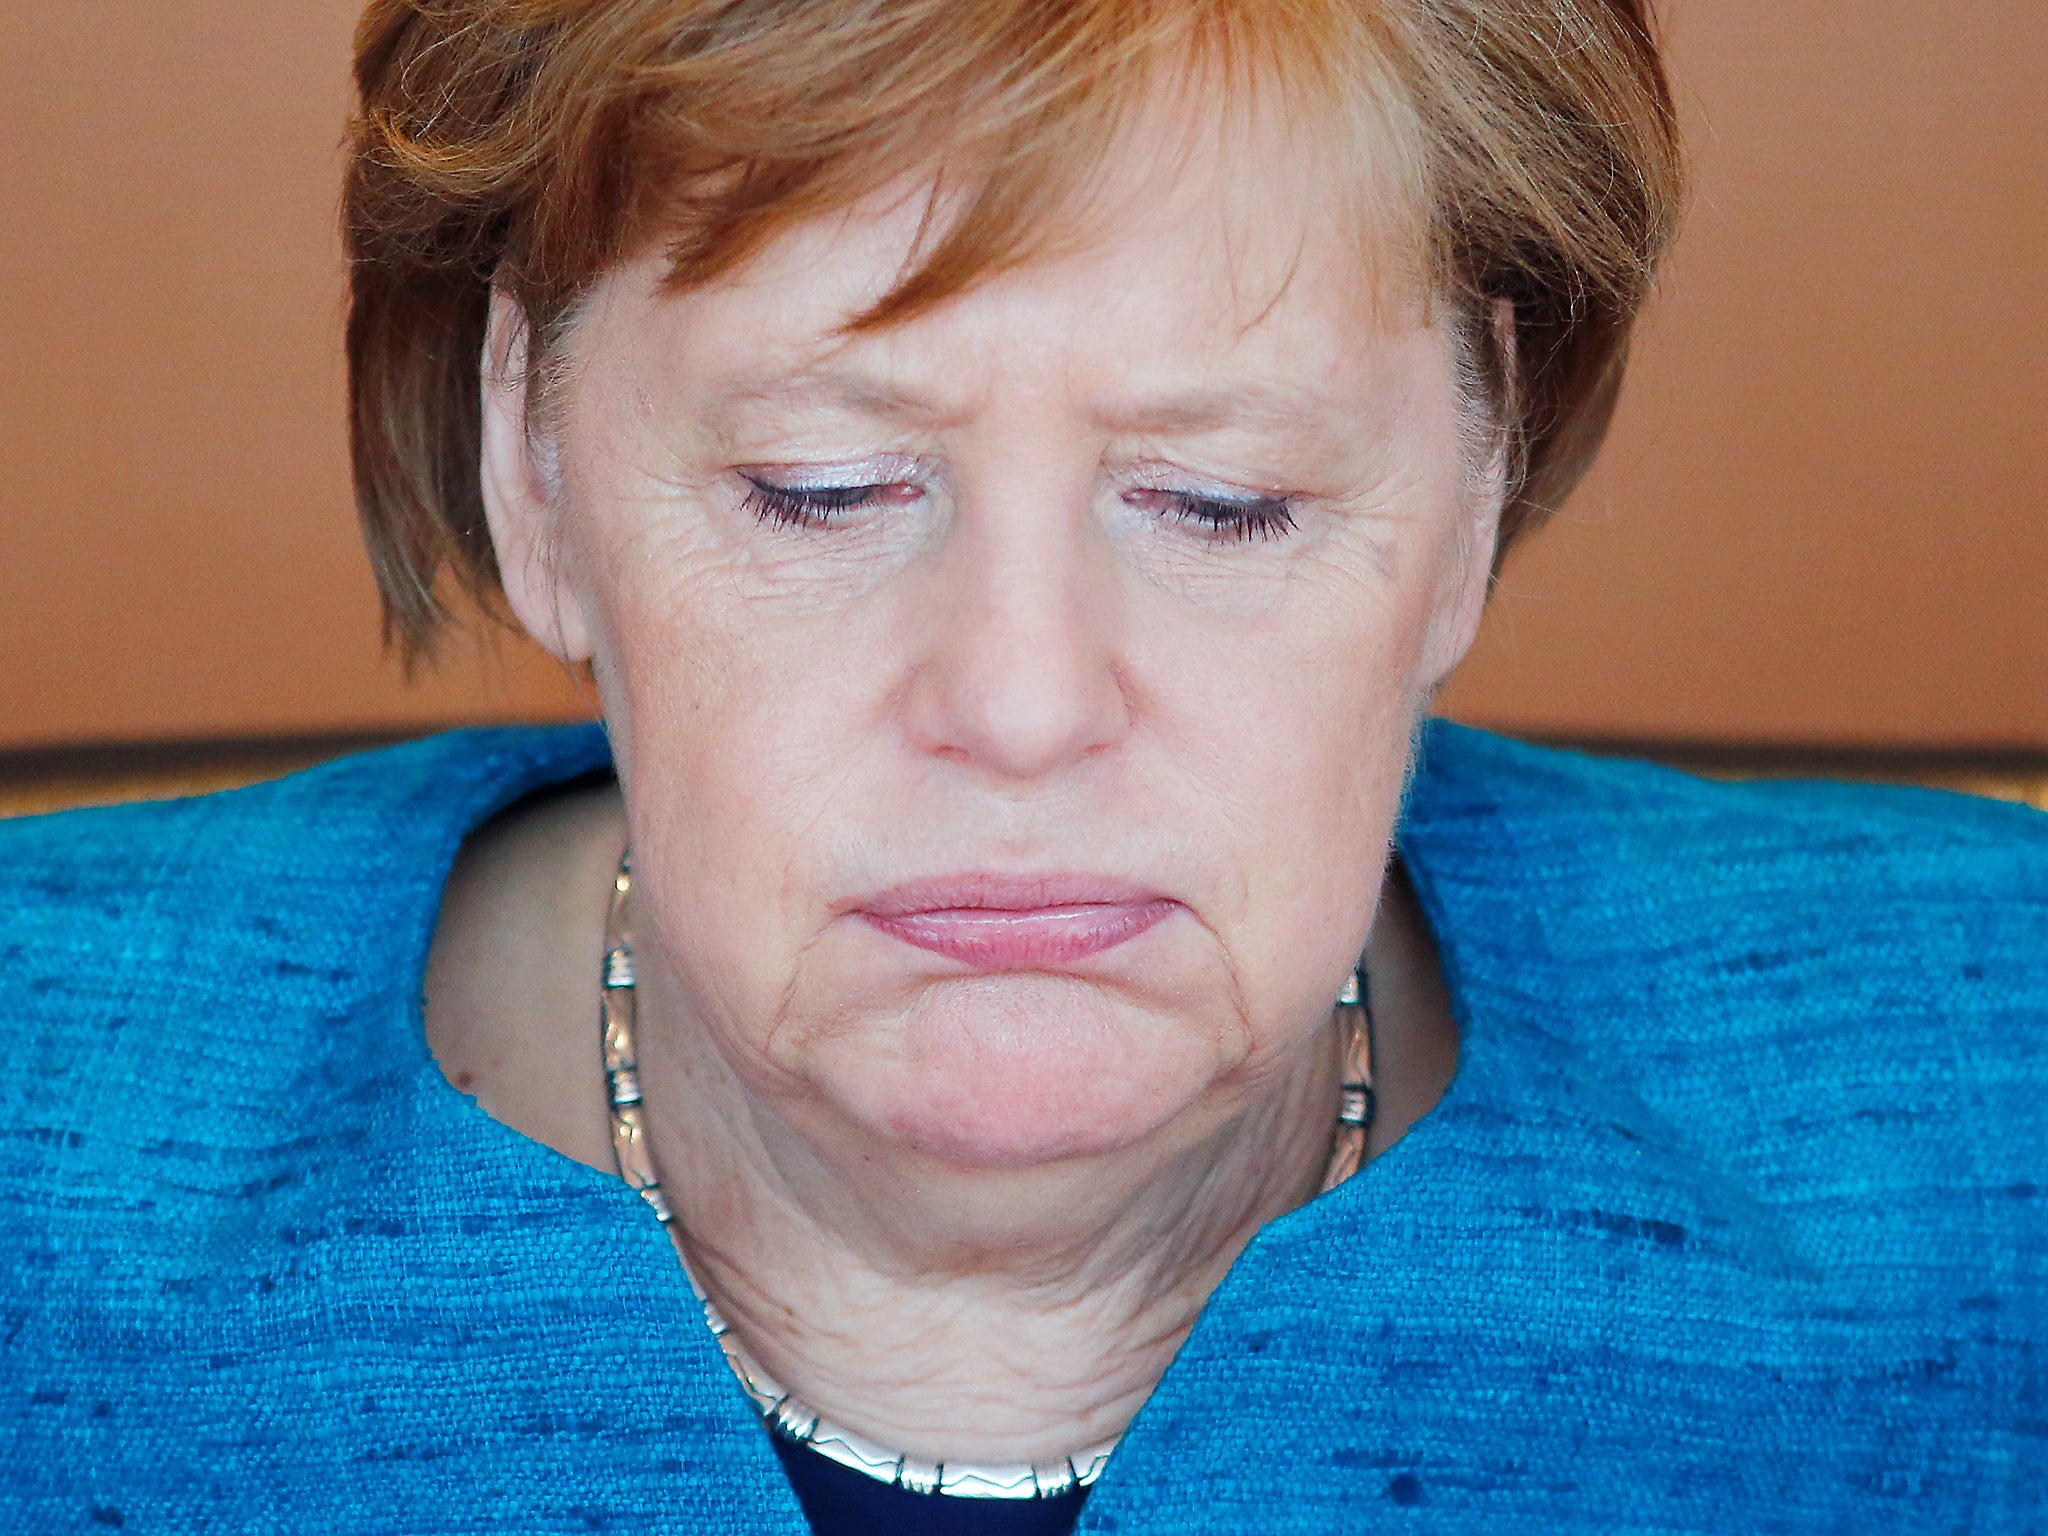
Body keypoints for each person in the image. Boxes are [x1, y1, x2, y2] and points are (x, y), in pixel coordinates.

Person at [2, 0, 2042, 1531]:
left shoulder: (1992, 1112)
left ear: (1478, 473)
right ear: (529, 464)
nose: (1022, 700)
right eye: (821, 488)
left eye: (1219, 500)